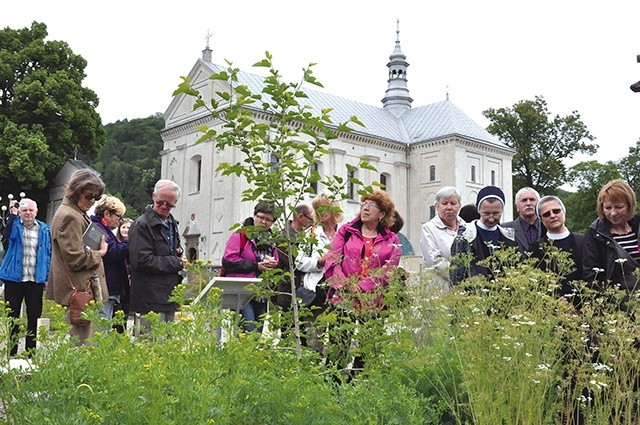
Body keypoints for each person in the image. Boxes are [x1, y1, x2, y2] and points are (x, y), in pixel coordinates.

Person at [46, 169, 109, 345]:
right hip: (79, 292)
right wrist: (100, 253)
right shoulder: (70, 216)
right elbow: (75, 258)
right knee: (81, 348)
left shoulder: (75, 212)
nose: (92, 202)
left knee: (83, 348)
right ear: (75, 190)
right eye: (89, 196)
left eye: (96, 198)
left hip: (81, 291)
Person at [324, 189, 402, 310]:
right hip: (344, 298)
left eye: (371, 205)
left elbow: (389, 270)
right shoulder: (346, 231)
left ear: (382, 214)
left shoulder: (392, 240)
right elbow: (332, 259)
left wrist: (362, 287)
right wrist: (346, 285)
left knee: (371, 329)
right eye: (364, 204)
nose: (365, 208)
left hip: (373, 302)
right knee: (341, 327)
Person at [128, 180, 187, 331]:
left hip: (169, 294)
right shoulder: (141, 224)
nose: (164, 207)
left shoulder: (172, 222)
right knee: (150, 345)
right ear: (153, 196)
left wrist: (179, 256)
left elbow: (172, 252)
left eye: (170, 204)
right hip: (149, 297)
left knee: (167, 346)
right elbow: (141, 260)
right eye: (160, 202)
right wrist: (176, 262)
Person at [0, 199, 51, 356]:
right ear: (20, 212)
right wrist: (12, 215)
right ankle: (12, 353)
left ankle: (31, 354)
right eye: (24, 210)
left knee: (34, 318)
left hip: (35, 280)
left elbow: (48, 254)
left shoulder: (44, 229)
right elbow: (7, 238)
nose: (28, 213)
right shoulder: (14, 225)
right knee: (13, 317)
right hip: (14, 279)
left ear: (36, 212)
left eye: (31, 210)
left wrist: (47, 276)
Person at [221, 202, 280, 332]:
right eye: (260, 217)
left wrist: (273, 263)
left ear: (273, 222)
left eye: (268, 219)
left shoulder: (271, 240)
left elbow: (277, 260)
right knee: (248, 329)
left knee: (257, 333)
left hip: (261, 293)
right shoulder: (240, 234)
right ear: (254, 216)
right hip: (242, 291)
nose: (263, 221)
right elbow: (228, 261)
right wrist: (256, 266)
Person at [295, 192, 342, 344]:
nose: (321, 213)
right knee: (314, 339)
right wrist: (319, 262)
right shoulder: (311, 233)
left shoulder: (345, 233)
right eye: (317, 209)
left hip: (339, 292)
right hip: (316, 293)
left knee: (339, 338)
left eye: (324, 208)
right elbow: (299, 261)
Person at [450, 185, 518, 285]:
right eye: (486, 213)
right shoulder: (465, 237)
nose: (491, 218)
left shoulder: (509, 237)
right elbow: (457, 274)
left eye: (496, 213)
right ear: (478, 210)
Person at [583, 179, 640, 291]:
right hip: (618, 300)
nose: (613, 213)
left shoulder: (637, 228)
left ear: (629, 206)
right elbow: (591, 275)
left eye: (619, 207)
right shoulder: (595, 234)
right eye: (608, 208)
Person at [529, 196, 584, 305]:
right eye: (546, 214)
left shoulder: (582, 241)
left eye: (556, 211)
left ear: (564, 212)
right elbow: (534, 283)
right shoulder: (535, 248)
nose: (552, 216)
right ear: (541, 219)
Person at [90, 196, 129, 322]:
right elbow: (113, 252)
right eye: (118, 216)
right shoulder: (97, 229)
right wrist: (129, 243)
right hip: (105, 286)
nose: (120, 221)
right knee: (102, 326)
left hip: (109, 285)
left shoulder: (102, 229)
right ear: (107, 214)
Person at [420, 186, 465, 291]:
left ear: (459, 206)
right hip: (440, 288)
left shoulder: (466, 227)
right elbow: (434, 260)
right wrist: (459, 275)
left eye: (453, 203)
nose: (449, 207)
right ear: (437, 206)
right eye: (444, 203)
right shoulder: (429, 229)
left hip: (463, 289)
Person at [275, 203, 314, 309]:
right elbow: (294, 262)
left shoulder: (308, 236)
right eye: (311, 219)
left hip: (307, 292)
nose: (313, 223)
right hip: (288, 290)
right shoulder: (283, 238)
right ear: (301, 217)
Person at [502, 187, 544, 252]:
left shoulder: (548, 227)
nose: (528, 203)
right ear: (517, 207)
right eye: (524, 200)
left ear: (539, 204)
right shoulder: (504, 229)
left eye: (532, 199)